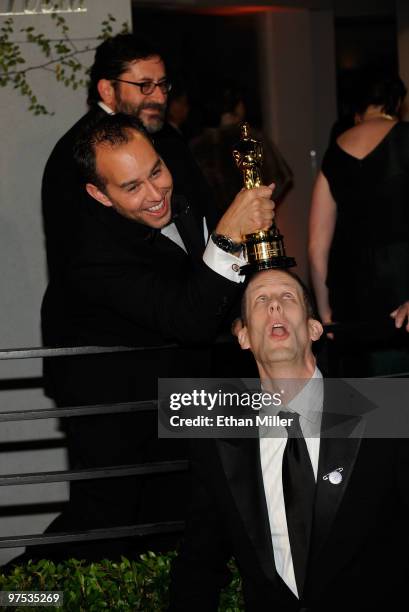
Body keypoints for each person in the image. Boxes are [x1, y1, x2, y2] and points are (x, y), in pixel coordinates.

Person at [38, 113, 274, 561]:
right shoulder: (90, 251)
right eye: (131, 187)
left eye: (156, 171)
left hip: (179, 390)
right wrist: (225, 239)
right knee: (104, 531)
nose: (155, 193)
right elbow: (186, 315)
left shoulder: (175, 185)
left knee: (187, 514)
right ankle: (21, 597)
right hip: (112, 400)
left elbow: (203, 287)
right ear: (98, 195)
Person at [169, 268, 409, 610]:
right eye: (261, 300)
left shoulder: (387, 412)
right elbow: (199, 561)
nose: (274, 308)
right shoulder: (217, 441)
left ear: (314, 328)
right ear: (243, 335)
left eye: (288, 298)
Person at [42, 33, 217, 282]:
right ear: (107, 90)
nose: (159, 97)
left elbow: (203, 213)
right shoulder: (74, 156)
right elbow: (99, 260)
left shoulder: (166, 137)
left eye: (162, 84)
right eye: (144, 85)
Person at [308, 68, 409, 374]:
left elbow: (316, 247)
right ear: (396, 101)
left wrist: (326, 316)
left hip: (351, 294)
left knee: (364, 404)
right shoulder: (406, 138)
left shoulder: (334, 152)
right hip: (402, 286)